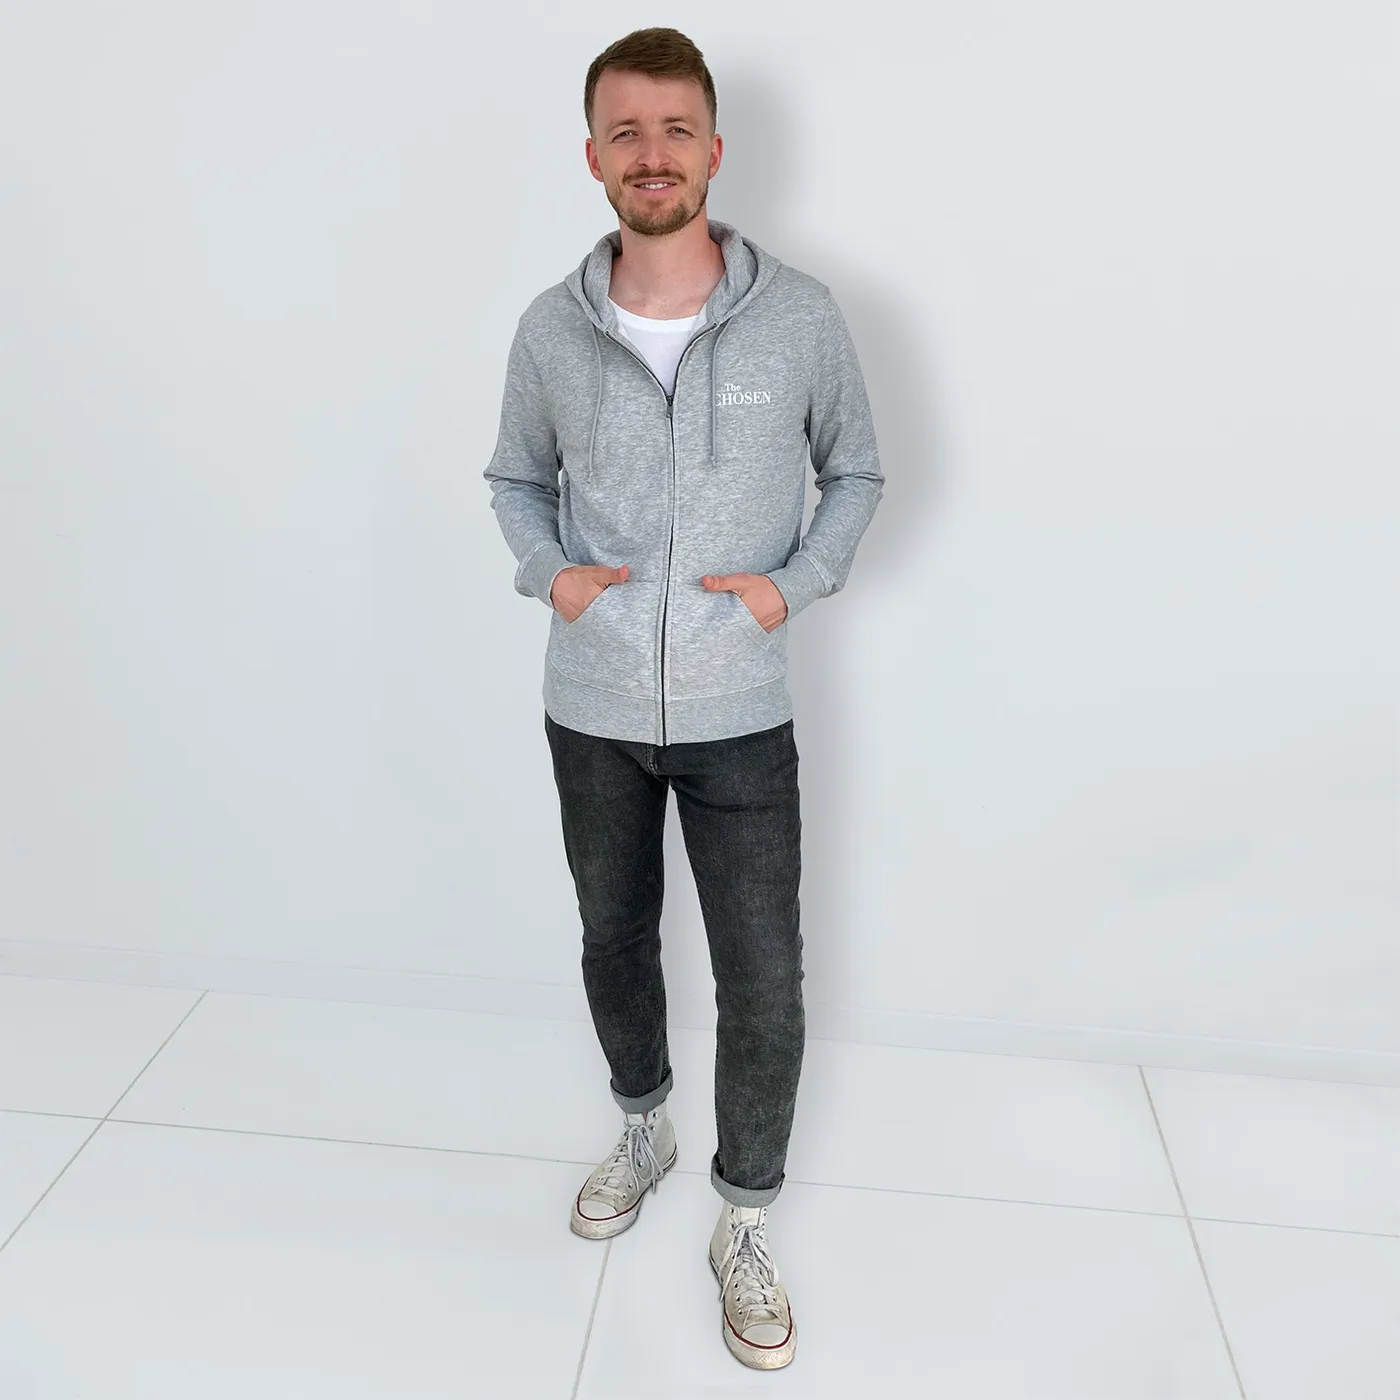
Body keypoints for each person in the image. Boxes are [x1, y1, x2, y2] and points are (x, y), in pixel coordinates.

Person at [482, 26, 883, 1372]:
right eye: (625, 132)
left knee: (763, 975)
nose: (650, 155)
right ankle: (643, 1124)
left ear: (715, 149)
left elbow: (858, 472)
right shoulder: (550, 329)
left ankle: (744, 1218)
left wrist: (794, 585)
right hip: (591, 706)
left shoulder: (800, 318)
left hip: (740, 714)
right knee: (614, 936)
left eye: (674, 130)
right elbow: (513, 478)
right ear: (593, 157)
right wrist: (552, 576)